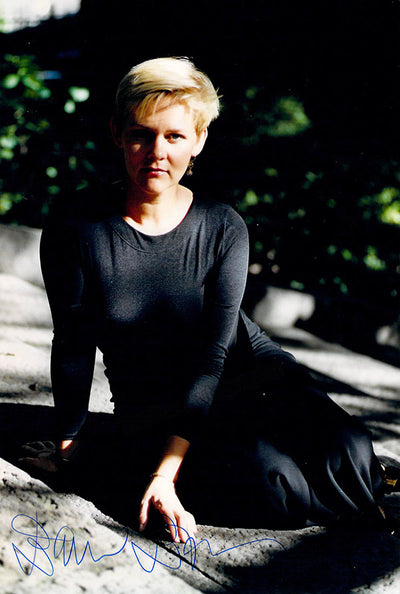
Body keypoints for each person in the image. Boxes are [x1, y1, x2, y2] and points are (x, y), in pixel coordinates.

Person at [28, 57, 398, 542]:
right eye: (141, 134)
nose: (157, 153)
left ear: (199, 140)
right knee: (276, 484)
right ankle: (356, 491)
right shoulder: (77, 226)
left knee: (351, 446)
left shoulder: (222, 226)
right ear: (117, 133)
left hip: (250, 373)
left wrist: (164, 475)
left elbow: (213, 356)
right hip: (156, 402)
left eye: (175, 136)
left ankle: (358, 477)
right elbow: (73, 346)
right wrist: (71, 448)